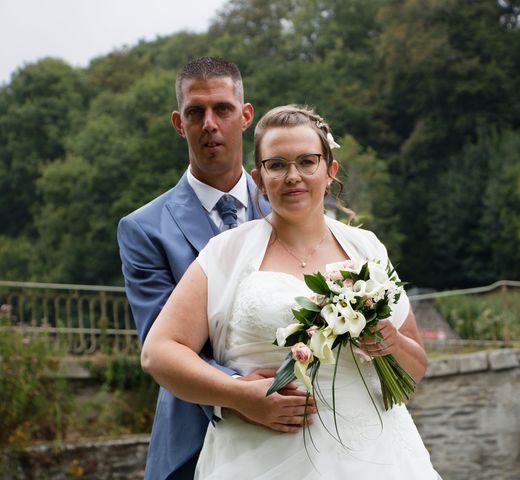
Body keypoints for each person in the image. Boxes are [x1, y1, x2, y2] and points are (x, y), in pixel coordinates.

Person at [141, 104, 442, 479]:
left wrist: (390, 342)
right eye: (277, 165)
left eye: (307, 161)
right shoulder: (227, 252)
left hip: (380, 457)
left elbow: (413, 371)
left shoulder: (367, 248)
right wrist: (238, 395)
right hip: (263, 458)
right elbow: (159, 353)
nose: (293, 177)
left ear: (330, 171)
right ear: (259, 178)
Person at [117, 59, 313, 480]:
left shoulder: (296, 205)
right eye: (195, 112)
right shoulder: (143, 230)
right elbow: (162, 343)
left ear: (245, 116)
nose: (209, 124)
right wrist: (245, 393)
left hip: (305, 428)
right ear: (178, 122)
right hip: (197, 439)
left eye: (222, 109)